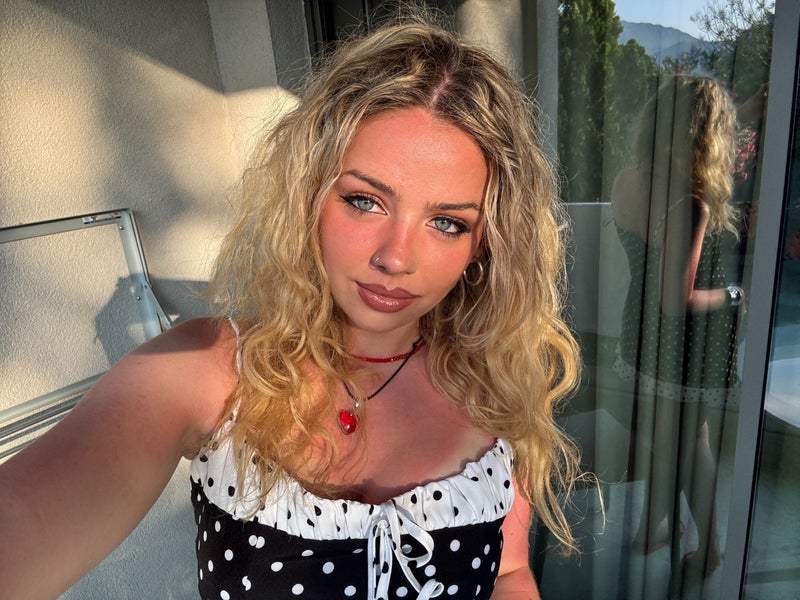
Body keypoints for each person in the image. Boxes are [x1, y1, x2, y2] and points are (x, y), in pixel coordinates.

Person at [0, 18, 582, 600]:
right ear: (310, 197)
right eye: (365, 201)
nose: (396, 258)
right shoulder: (210, 371)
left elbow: (507, 572)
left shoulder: (497, 383)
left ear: (483, 245)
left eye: (447, 222)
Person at [611, 75, 743, 582]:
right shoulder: (689, 204)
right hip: (680, 350)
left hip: (639, 337)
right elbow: (677, 298)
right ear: (707, 138)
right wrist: (734, 295)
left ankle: (652, 528)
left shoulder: (627, 180)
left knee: (666, 440)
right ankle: (709, 551)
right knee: (694, 444)